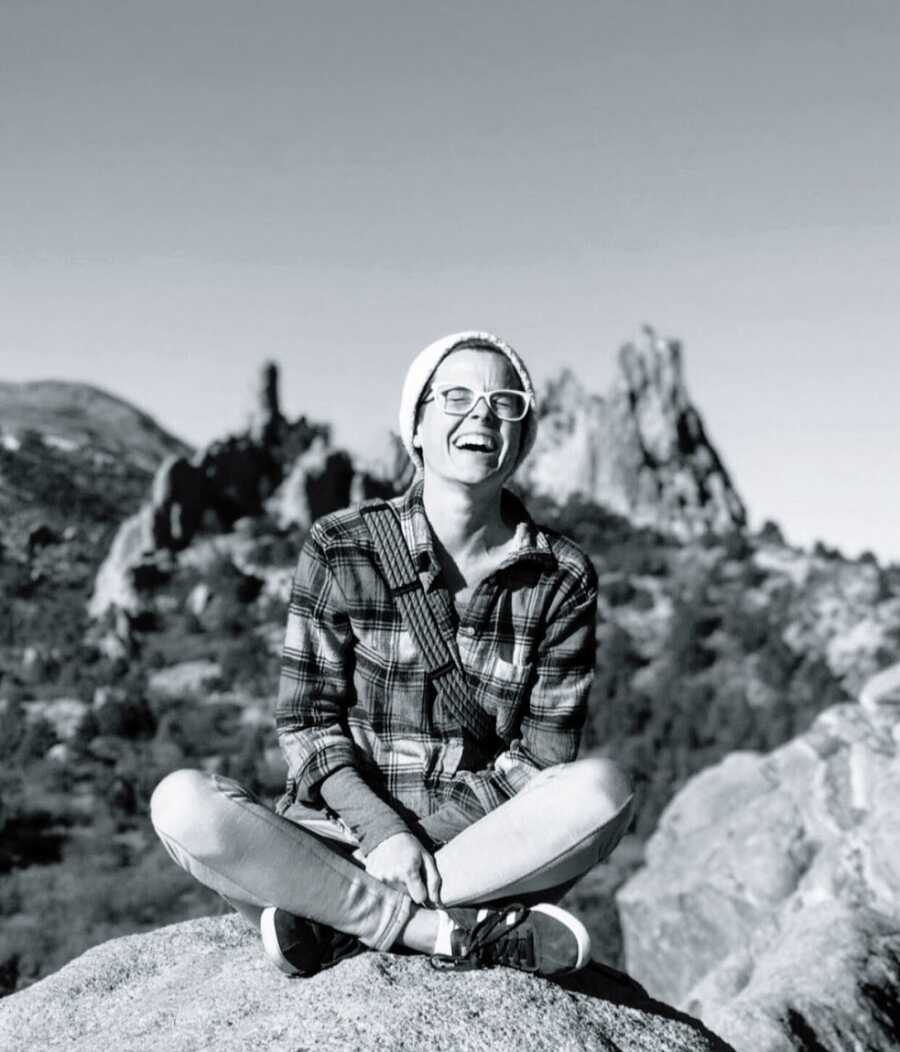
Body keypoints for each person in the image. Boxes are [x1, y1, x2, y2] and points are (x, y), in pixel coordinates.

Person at [150, 331, 634, 979]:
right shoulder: (341, 544)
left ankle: (335, 919)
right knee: (183, 803)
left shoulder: (561, 576)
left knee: (604, 791)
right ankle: (441, 934)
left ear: (521, 437)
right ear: (418, 426)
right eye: (457, 396)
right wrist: (382, 833)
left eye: (505, 402)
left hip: (471, 847)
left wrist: (422, 843)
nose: (483, 415)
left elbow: (544, 755)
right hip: (334, 830)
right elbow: (306, 721)